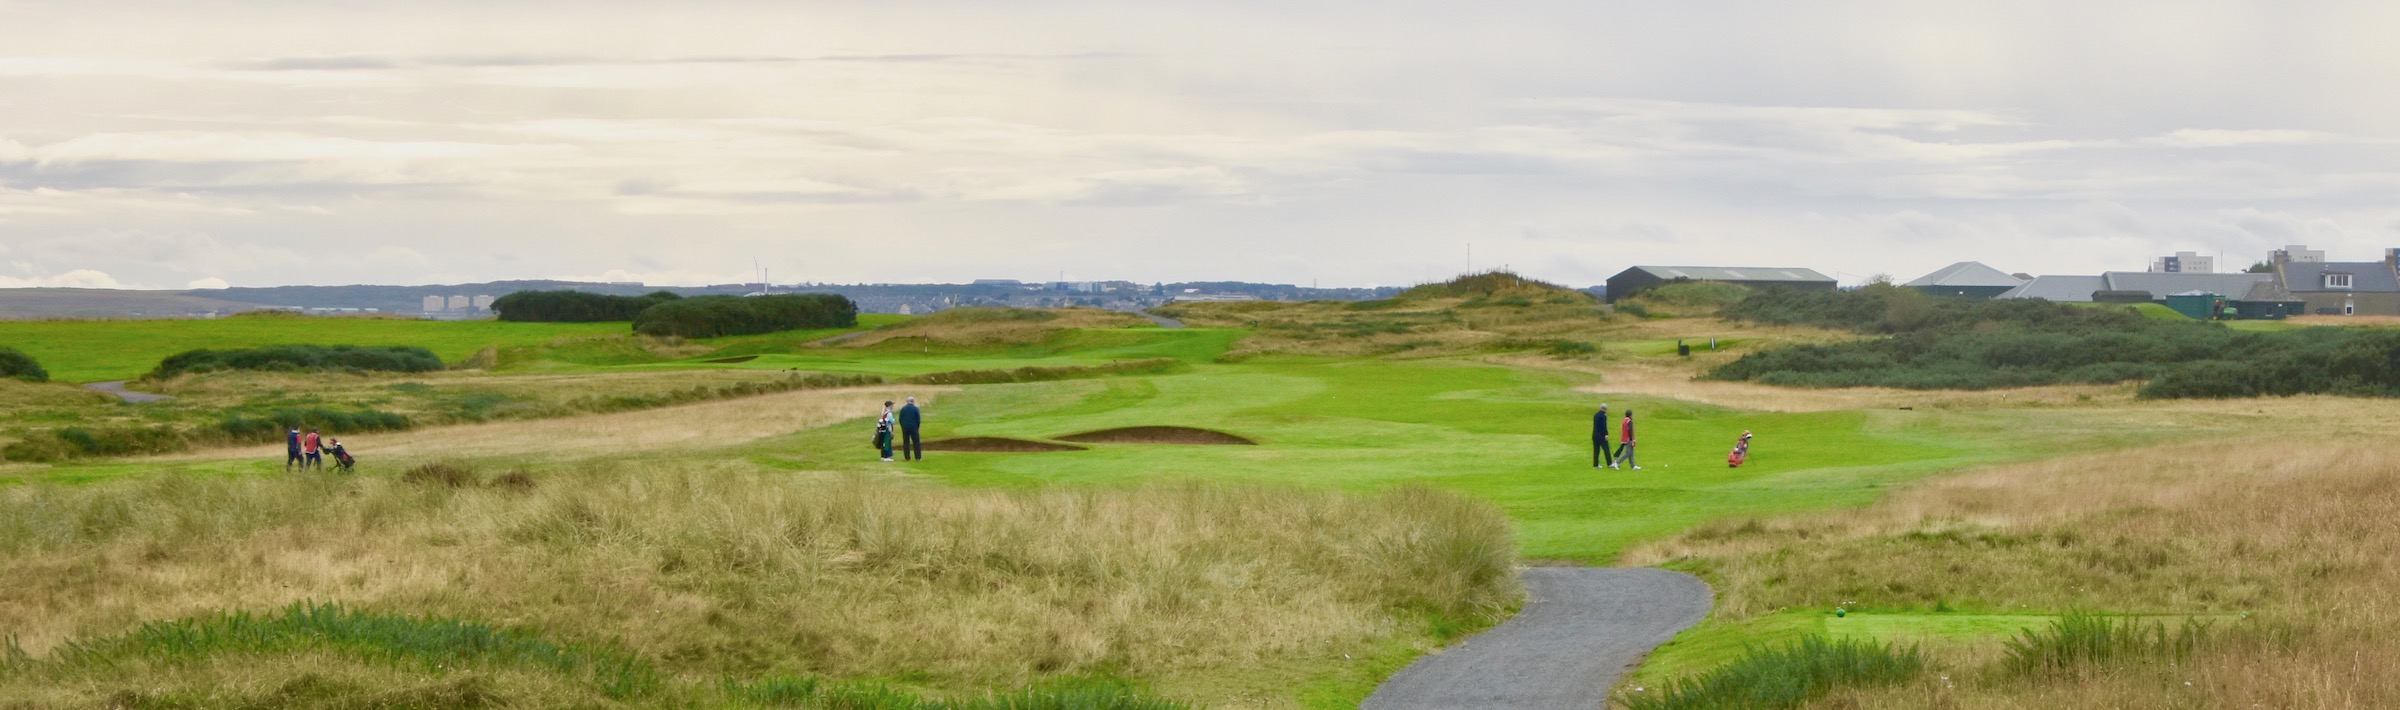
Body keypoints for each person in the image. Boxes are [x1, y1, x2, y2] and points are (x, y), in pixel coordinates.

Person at [898, 396, 924, 461]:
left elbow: (900, 419)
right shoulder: (915, 409)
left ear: (907, 401)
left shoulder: (903, 409)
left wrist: (903, 426)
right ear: (913, 401)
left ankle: (907, 457)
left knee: (906, 442)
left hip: (905, 427)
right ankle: (918, 457)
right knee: (916, 442)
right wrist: (917, 427)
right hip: (914, 427)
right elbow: (918, 419)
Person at [1591, 404, 1611, 469]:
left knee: (1596, 450)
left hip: (1594, 435)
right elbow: (1603, 426)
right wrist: (1606, 434)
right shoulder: (1603, 416)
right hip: (1601, 436)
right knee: (1606, 449)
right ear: (1605, 409)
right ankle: (1609, 463)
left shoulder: (1596, 414)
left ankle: (1595, 465)